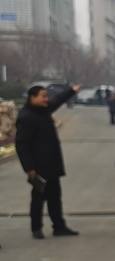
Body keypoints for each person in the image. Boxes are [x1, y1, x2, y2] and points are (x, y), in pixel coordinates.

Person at [15, 83, 82, 239]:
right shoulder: (26, 117)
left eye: (46, 96)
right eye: (43, 96)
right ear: (32, 98)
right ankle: (36, 228)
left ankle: (59, 226)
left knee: (54, 197)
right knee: (38, 197)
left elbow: (58, 100)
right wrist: (29, 168)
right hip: (38, 167)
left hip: (52, 164)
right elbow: (22, 145)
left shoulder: (43, 110)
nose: (46, 99)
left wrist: (71, 91)